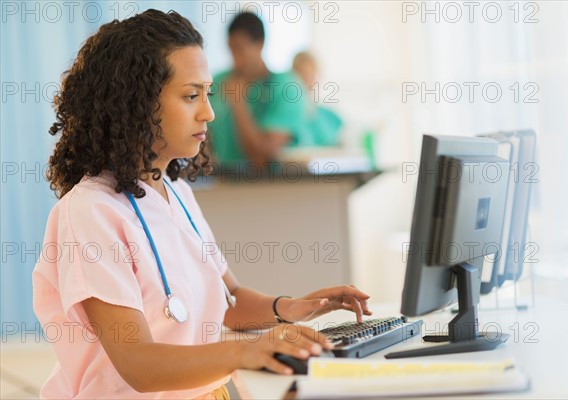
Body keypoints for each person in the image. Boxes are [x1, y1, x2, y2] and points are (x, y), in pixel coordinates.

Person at [32, 9, 372, 400]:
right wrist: (246, 351)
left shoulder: (175, 191)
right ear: (136, 102)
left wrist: (292, 307)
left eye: (207, 93)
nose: (208, 112)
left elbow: (228, 302)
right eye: (191, 95)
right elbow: (137, 363)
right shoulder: (91, 212)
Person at [208, 12, 308, 166]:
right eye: (231, 49)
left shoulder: (287, 88)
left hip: (269, 185)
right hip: (222, 182)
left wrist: (238, 103)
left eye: (240, 49)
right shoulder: (219, 81)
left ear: (260, 44)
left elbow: (261, 157)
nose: (235, 59)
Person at [292, 51, 344, 147]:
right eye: (303, 75)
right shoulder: (288, 113)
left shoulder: (327, 115)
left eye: (311, 75)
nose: (307, 81)